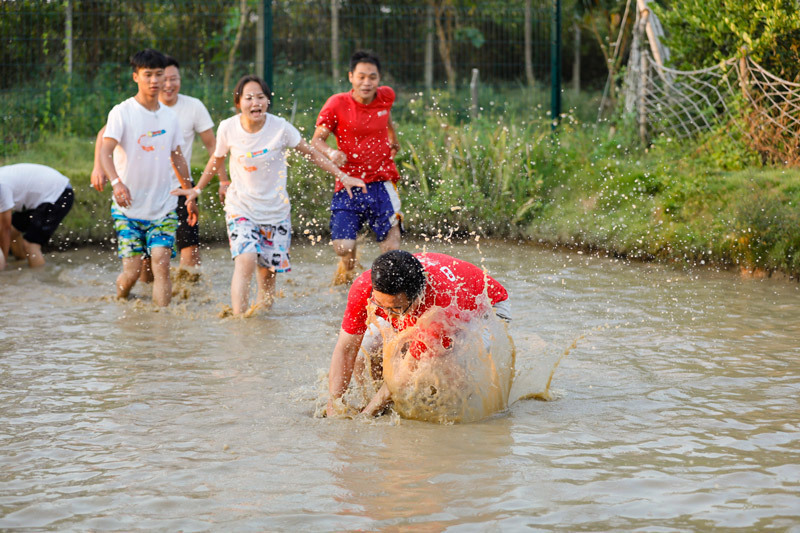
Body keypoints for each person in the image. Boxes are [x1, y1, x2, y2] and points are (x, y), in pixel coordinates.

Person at [175, 75, 367, 315]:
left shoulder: (281, 128)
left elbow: (311, 153)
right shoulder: (228, 127)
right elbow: (217, 159)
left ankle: (262, 324)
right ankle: (239, 322)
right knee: (245, 258)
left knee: (267, 274)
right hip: (241, 207)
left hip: (276, 212)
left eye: (260, 97)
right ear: (238, 102)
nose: (255, 102)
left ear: (267, 101)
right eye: (249, 98)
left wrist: (341, 175)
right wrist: (197, 189)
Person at [326, 250, 512, 418]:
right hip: (423, 298)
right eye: (381, 306)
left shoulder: (439, 307)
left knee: (446, 373)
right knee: (364, 354)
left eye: (396, 308)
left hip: (486, 308)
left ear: (419, 296)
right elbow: (346, 349)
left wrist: (366, 415)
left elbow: (403, 374)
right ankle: (384, 404)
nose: (389, 317)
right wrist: (333, 404)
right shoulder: (364, 287)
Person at [91, 54, 228, 279]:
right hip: (144, 192)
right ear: (141, 78)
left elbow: (212, 147)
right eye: (155, 76)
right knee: (145, 270)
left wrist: (221, 181)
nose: (167, 84)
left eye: (172, 78)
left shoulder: (191, 108)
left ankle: (185, 301)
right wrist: (99, 168)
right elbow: (103, 136)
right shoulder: (131, 110)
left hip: (179, 189)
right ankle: (147, 308)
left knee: (188, 255)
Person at [98, 48, 194, 307]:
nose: (154, 81)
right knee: (131, 273)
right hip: (127, 210)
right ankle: (119, 303)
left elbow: (177, 156)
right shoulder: (122, 112)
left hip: (163, 207)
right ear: (135, 77)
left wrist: (190, 192)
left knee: (161, 265)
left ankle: (161, 330)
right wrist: (116, 183)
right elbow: (105, 152)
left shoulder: (170, 117)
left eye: (159, 75)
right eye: (148, 75)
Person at [311, 50, 403, 285]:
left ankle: (385, 290)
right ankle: (347, 269)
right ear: (351, 77)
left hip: (382, 181)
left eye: (372, 77)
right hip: (349, 182)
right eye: (361, 76)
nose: (366, 82)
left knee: (392, 249)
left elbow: (386, 115)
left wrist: (392, 137)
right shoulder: (337, 103)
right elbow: (316, 141)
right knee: (343, 247)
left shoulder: (386, 96)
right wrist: (332, 152)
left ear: (379, 79)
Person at [0, 163, 74, 270]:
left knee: (30, 244)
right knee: (12, 231)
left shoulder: (1, 187)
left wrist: (3, 263)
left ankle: (39, 280)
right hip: (40, 197)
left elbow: (4, 228)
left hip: (59, 194)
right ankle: (20, 263)